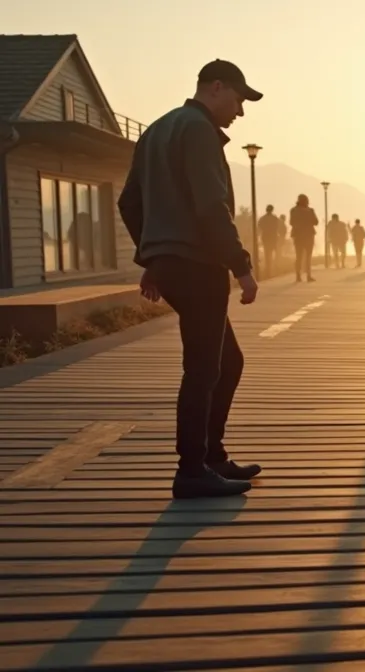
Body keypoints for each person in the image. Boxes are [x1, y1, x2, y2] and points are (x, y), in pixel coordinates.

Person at [117, 59, 264, 499]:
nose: (240, 111)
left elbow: (129, 202)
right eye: (238, 100)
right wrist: (241, 267)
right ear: (215, 88)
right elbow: (209, 208)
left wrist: (153, 255)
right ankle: (191, 470)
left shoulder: (157, 130)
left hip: (174, 262)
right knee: (202, 368)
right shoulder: (198, 131)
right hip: (199, 266)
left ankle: (212, 457)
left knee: (227, 361)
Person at [288, 194, 317, 282]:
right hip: (308, 235)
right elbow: (316, 222)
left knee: (299, 256)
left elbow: (291, 222)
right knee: (308, 256)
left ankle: (298, 276)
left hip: (298, 235)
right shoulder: (310, 210)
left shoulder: (293, 210)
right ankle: (308, 275)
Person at [257, 205, 280, 277]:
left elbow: (259, 226)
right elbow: (277, 227)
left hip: (266, 237)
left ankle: (269, 271)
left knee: (268, 254)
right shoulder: (274, 218)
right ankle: (274, 269)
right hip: (273, 237)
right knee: (275, 254)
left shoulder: (263, 219)